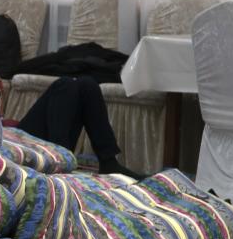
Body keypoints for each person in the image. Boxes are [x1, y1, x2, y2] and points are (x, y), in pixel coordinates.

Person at [16, 75, 145, 180]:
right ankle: (60, 161)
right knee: (65, 85)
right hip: (16, 142)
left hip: (19, 133)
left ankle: (108, 162)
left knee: (87, 84)